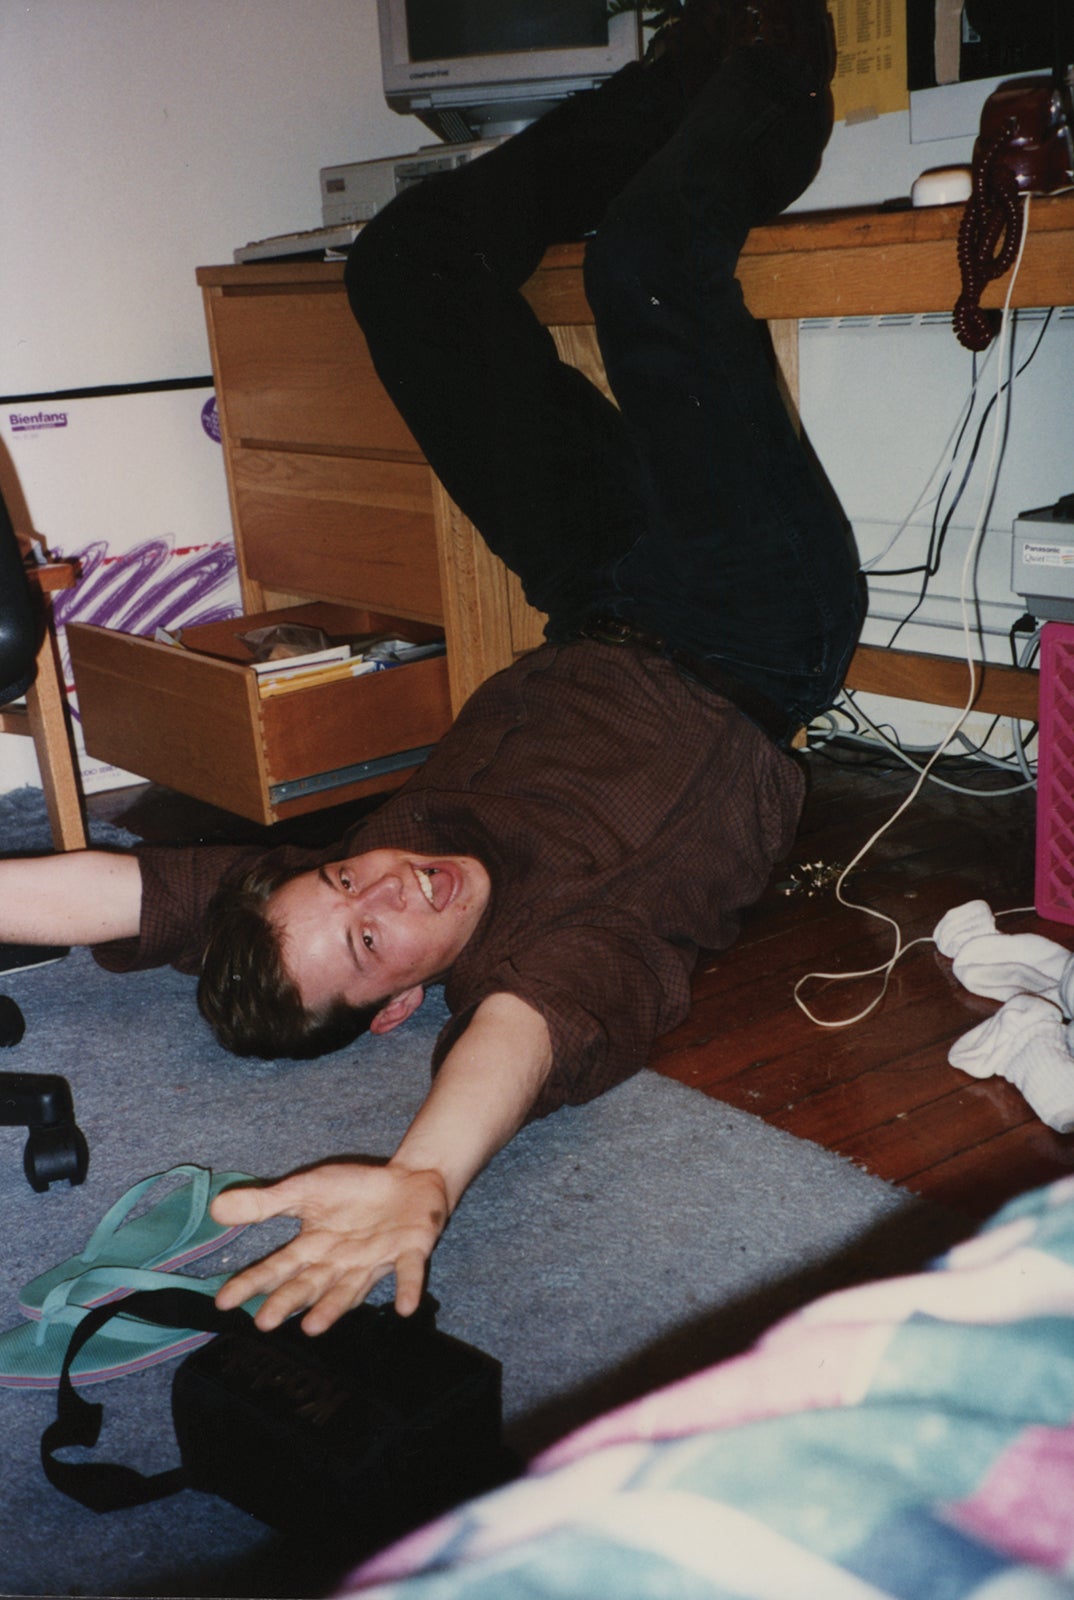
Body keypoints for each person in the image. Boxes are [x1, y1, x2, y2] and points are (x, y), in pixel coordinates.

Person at [0, 0, 864, 1339]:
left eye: (341, 877)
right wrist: (420, 1177)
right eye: (367, 937)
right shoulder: (553, 952)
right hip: (752, 630)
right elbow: (516, 1045)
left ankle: (681, 69)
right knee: (643, 267)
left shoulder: (363, 874)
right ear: (400, 1005)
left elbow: (124, 891)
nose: (386, 880)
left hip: (589, 593)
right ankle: (772, 75)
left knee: (402, 268)